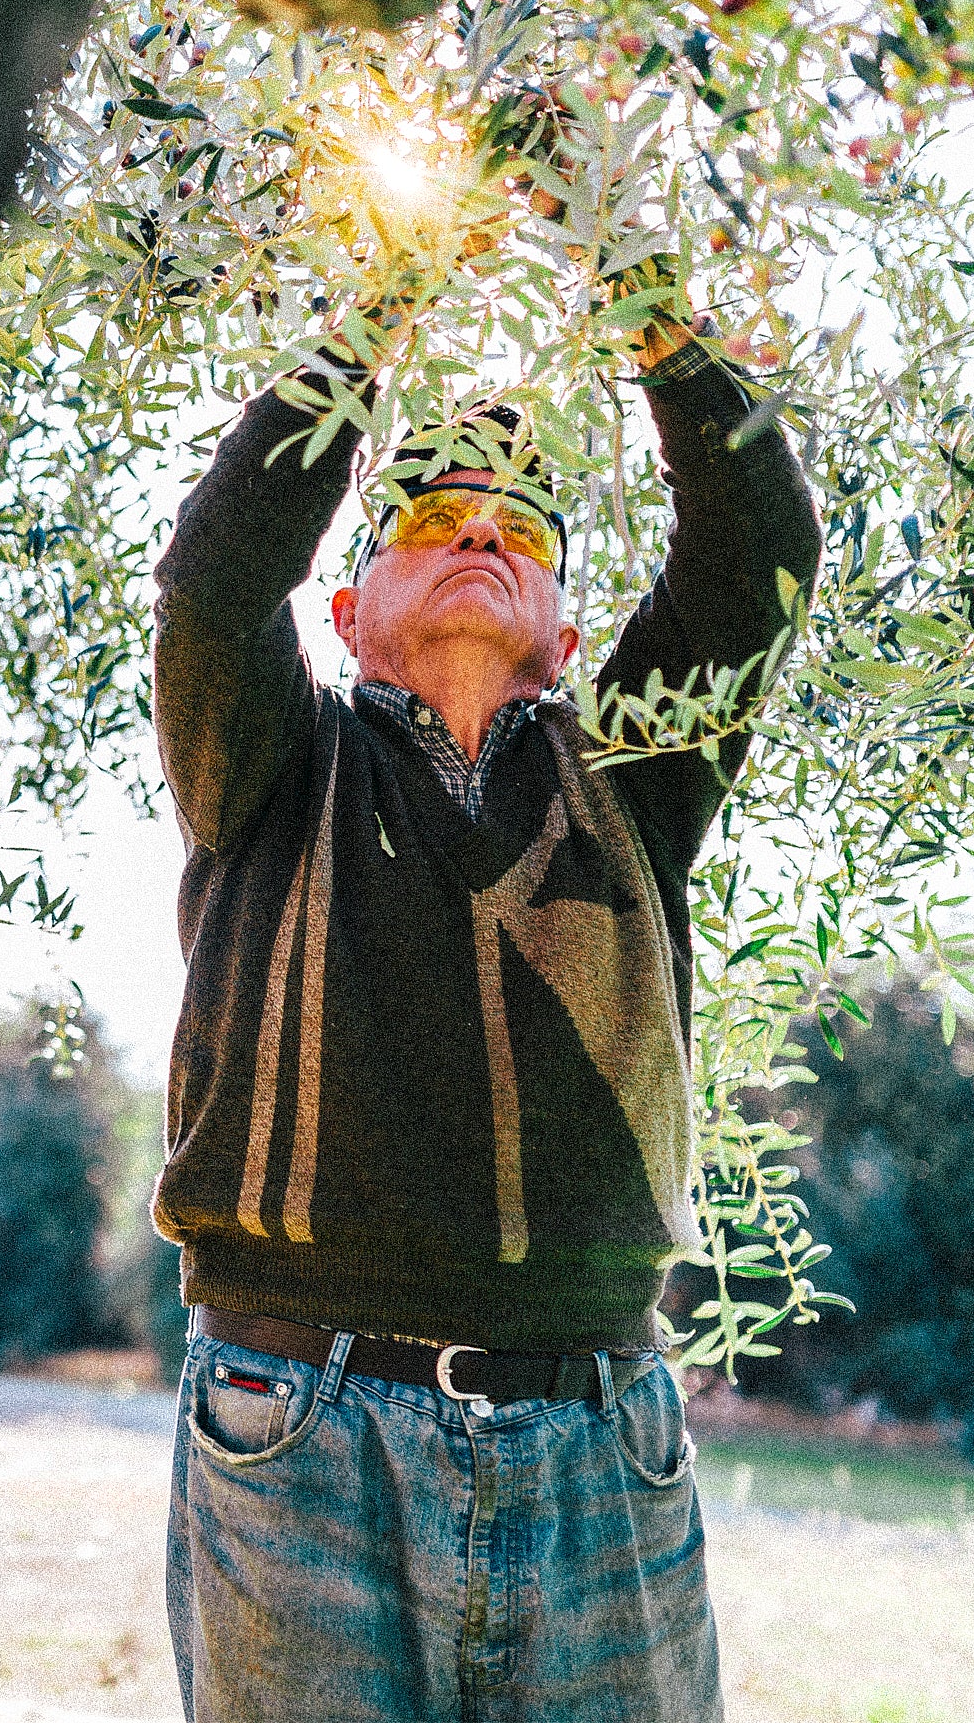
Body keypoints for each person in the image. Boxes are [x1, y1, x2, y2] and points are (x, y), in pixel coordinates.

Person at [148, 145, 821, 1720]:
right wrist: (390, 287)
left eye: (520, 525)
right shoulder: (269, 760)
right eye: (432, 513)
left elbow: (758, 554)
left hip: (603, 1434)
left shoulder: (637, 777)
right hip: (295, 1425)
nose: (478, 531)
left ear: (572, 635)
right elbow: (211, 573)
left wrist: (624, 271)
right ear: (347, 606)